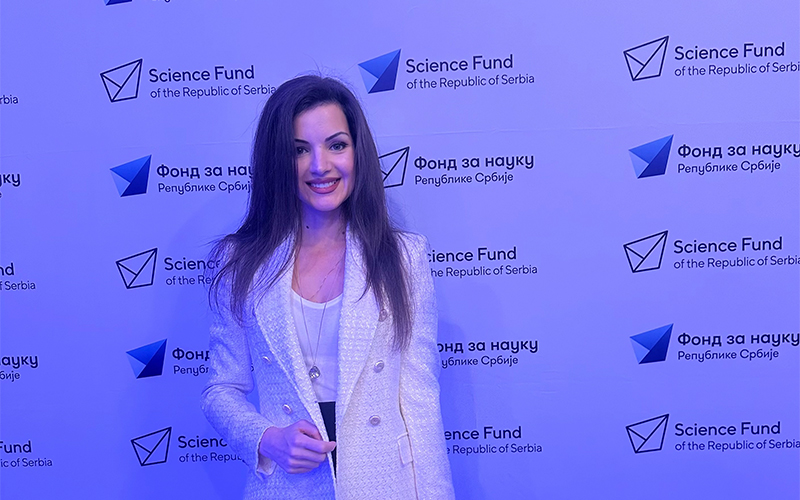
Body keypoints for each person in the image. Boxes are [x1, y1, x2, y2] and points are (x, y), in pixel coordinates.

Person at [201, 75, 455, 499]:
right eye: (299, 150)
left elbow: (420, 402)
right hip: (287, 486)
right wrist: (267, 439)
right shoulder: (240, 262)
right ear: (276, 161)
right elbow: (220, 390)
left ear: (357, 152)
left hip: (384, 484)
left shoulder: (403, 257)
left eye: (336, 145)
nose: (320, 166)